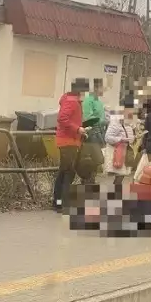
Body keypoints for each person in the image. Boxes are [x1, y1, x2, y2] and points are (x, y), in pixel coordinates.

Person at [53, 78, 89, 212]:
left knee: (64, 172)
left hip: (70, 140)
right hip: (68, 141)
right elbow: (62, 119)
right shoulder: (72, 102)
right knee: (68, 173)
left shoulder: (71, 100)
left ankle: (58, 202)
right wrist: (77, 129)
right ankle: (63, 204)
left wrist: (80, 130)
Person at [79, 78, 106, 183]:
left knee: (97, 160)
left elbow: (100, 116)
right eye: (102, 87)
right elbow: (88, 118)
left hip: (99, 132)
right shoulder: (88, 100)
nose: (103, 90)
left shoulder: (98, 101)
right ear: (96, 88)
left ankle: (91, 180)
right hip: (91, 132)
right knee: (92, 158)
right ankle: (86, 181)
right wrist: (102, 121)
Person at [103, 99, 136, 185]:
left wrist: (133, 138)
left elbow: (127, 134)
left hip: (125, 151)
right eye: (131, 109)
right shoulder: (116, 121)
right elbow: (107, 137)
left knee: (121, 176)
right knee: (119, 176)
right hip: (118, 152)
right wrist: (120, 139)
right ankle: (114, 195)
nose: (132, 112)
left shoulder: (127, 121)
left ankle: (115, 195)